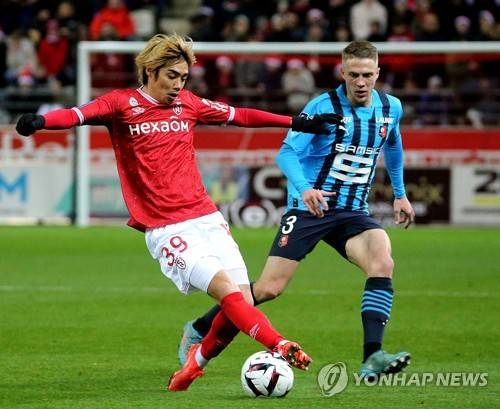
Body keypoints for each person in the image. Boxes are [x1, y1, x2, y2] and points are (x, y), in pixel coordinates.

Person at [15, 34, 342, 391]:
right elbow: (76, 116)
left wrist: (296, 122)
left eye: (183, 78)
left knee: (244, 300)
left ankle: (193, 365)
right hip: (167, 227)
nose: (178, 85)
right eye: (172, 76)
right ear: (150, 70)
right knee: (226, 292)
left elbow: (241, 115)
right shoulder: (120, 104)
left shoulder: (188, 103)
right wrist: (42, 121)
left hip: (207, 217)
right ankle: (279, 344)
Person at [178, 40, 415, 381]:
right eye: (353, 75)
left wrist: (400, 194)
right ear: (342, 72)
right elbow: (286, 153)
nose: (361, 82)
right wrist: (305, 189)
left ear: (378, 73)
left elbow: (393, 144)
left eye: (367, 75)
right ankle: (200, 328)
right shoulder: (322, 107)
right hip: (309, 210)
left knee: (382, 262)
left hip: (353, 211)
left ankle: (372, 357)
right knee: (268, 288)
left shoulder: (391, 108)